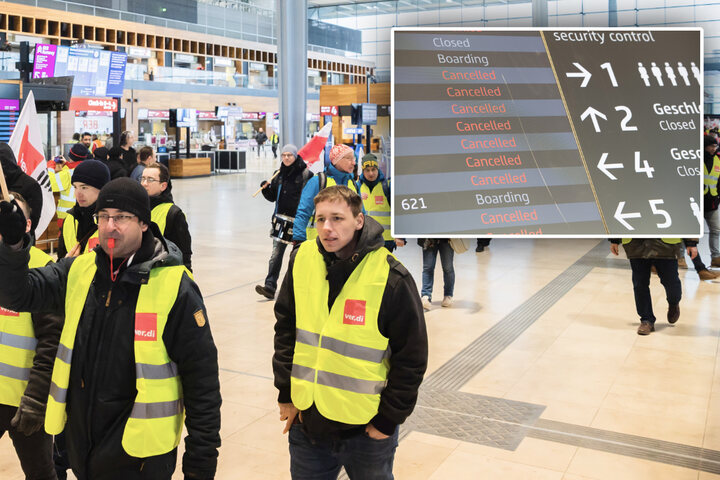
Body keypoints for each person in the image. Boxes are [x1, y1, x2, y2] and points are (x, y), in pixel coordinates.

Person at [0, 178, 221, 480]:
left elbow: (203, 382)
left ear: (144, 223)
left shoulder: (175, 287)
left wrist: (201, 464)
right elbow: (17, 294)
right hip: (84, 452)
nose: (109, 226)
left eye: (122, 217)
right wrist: (13, 245)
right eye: (103, 217)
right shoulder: (78, 270)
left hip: (140, 460)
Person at [273, 185, 428, 480]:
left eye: (337, 218)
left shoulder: (390, 276)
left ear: (359, 220)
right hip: (308, 422)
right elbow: (285, 329)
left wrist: (387, 421)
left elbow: (412, 356)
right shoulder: (302, 259)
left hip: (365, 431)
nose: (327, 228)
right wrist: (286, 392)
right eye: (320, 220)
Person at [0, 192, 62, 480]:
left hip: (25, 402)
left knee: (40, 473)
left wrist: (36, 400)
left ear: (26, 226)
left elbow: (52, 342)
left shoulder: (40, 267)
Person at [255, 144, 313, 300]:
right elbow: (273, 197)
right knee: (276, 255)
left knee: (298, 257)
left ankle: (298, 287)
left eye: (289, 155)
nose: (286, 158)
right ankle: (270, 286)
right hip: (280, 221)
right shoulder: (278, 174)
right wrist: (265, 189)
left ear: (295, 156)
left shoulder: (306, 174)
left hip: (299, 222)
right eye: (284, 155)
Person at [610, 238, 697, 335]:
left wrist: (691, 243)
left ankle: (674, 303)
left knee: (671, 281)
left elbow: (686, 222)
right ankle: (646, 320)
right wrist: (614, 240)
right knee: (640, 284)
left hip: (667, 244)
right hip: (636, 244)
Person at [292, 144, 360, 243]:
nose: (354, 162)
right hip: (317, 243)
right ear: (337, 160)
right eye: (349, 158)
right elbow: (303, 211)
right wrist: (298, 239)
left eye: (354, 158)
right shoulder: (318, 181)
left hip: (346, 244)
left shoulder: (353, 184)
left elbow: (361, 213)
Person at [141, 163, 193, 270]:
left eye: (150, 180)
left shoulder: (173, 214)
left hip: (161, 275)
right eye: (143, 179)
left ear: (163, 186)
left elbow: (184, 255)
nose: (144, 183)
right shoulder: (137, 208)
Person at [57, 159, 111, 259]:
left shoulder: (114, 222)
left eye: (84, 187)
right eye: (75, 187)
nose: (78, 194)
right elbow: (60, 259)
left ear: (102, 189)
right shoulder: (70, 219)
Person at [356, 153, 404, 252]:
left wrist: (401, 236)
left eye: (373, 169)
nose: (371, 173)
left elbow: (399, 212)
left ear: (377, 169)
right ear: (363, 171)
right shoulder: (357, 187)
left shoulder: (387, 186)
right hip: (364, 239)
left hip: (386, 240)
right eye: (367, 170)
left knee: (384, 267)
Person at [418, 238, 455, 310]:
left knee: (448, 268)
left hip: (447, 238)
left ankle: (448, 294)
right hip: (429, 236)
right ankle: (426, 295)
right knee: (428, 267)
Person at [704, 135, 720, 268]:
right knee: (689, 232)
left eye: (716, 146)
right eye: (712, 146)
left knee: (716, 230)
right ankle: (680, 257)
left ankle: (715, 257)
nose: (715, 148)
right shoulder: (696, 159)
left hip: (713, 202)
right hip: (697, 201)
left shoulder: (718, 160)